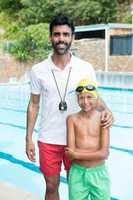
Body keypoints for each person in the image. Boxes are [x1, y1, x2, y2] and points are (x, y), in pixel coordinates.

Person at [25, 13, 112, 200]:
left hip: (79, 139)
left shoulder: (85, 67)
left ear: (72, 37)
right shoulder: (38, 70)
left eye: (65, 34)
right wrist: (28, 138)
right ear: (50, 37)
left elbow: (93, 98)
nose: (61, 39)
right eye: (57, 34)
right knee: (51, 186)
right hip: (49, 138)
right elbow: (33, 104)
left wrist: (107, 111)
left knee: (76, 188)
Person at [65, 78, 110, 200]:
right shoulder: (71, 119)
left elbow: (104, 153)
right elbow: (70, 154)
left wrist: (76, 154)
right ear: (77, 99)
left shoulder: (103, 118)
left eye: (89, 97)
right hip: (77, 174)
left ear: (97, 98)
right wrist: (75, 154)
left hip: (99, 173)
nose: (85, 101)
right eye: (81, 97)